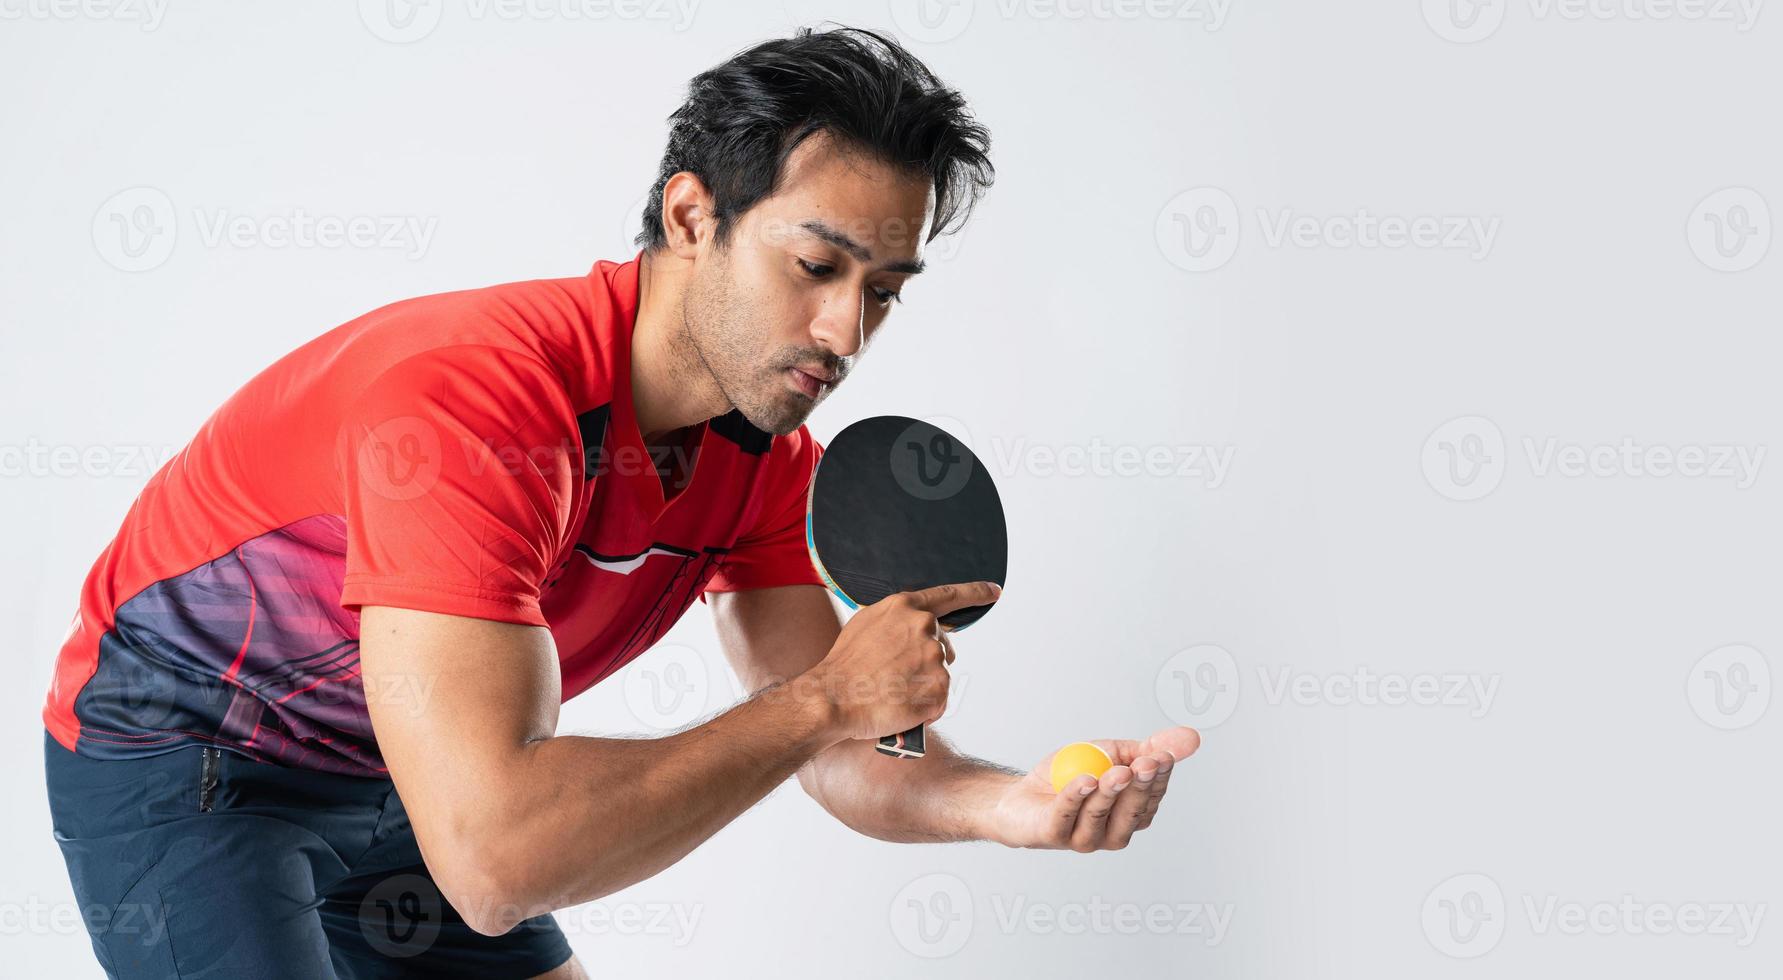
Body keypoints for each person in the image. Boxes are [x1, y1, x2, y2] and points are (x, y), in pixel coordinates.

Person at [42, 26, 1199, 979]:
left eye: (884, 291)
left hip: (412, 771)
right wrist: (821, 700)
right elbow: (497, 857)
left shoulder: (766, 456)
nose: (847, 334)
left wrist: (1016, 806)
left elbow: (845, 742)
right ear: (695, 217)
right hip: (192, 756)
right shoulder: (473, 409)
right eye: (817, 268)